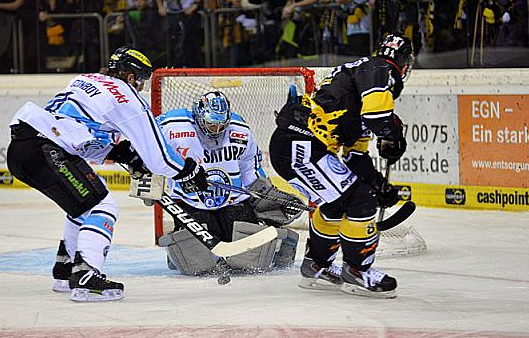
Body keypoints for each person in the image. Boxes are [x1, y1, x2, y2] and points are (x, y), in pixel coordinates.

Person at [6, 47, 208, 302]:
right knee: (103, 206)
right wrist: (188, 171)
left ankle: (65, 271)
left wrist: (118, 153)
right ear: (131, 77)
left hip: (21, 150)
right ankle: (86, 278)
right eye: (141, 81)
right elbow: (160, 159)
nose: (141, 87)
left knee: (84, 206)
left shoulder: (85, 79)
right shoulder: (126, 97)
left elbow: (73, 130)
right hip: (48, 151)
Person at [268, 33, 413, 298]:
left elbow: (355, 157)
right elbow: (378, 117)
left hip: (297, 145)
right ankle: (357, 271)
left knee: (336, 203)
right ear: (404, 64)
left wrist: (377, 183)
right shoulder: (380, 70)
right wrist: (393, 135)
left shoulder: (360, 84)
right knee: (359, 200)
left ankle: (317, 266)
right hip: (301, 145)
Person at [156, 91, 301, 275]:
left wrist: (262, 192)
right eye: (211, 124)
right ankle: (176, 251)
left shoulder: (239, 129)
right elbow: (147, 145)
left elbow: (249, 166)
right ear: (198, 118)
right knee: (200, 265)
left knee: (249, 259)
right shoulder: (171, 126)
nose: (217, 130)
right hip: (190, 202)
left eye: (221, 125)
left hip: (234, 200)